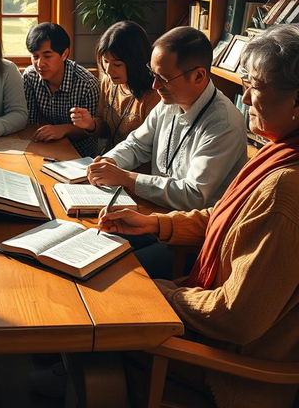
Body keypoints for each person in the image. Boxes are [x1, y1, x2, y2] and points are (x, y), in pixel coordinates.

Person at [99, 23, 299, 408]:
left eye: (255, 85)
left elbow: (237, 317)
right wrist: (158, 224)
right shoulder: (279, 156)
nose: (244, 94)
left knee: (108, 315)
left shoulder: (285, 187)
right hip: (219, 327)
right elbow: (229, 218)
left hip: (230, 370)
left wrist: (164, 293)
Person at [86, 26, 247, 278]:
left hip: (190, 240)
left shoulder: (223, 123)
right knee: (92, 243)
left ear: (198, 76)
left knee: (116, 271)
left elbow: (194, 195)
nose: (154, 84)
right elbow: (137, 144)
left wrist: (127, 178)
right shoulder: (168, 101)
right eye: (153, 74)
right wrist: (109, 161)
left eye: (164, 77)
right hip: (153, 217)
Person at [70, 21, 159, 152]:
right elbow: (105, 128)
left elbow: (149, 148)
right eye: (105, 61)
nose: (109, 70)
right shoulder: (109, 82)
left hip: (135, 168)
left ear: (135, 62)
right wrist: (90, 124)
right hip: (109, 160)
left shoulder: (154, 95)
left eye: (117, 64)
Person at [22, 22, 100, 157]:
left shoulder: (86, 84)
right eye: (35, 56)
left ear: (64, 54)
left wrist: (64, 129)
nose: (40, 64)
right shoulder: (30, 77)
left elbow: (92, 129)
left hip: (80, 155)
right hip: (41, 148)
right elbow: (31, 122)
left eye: (47, 56)